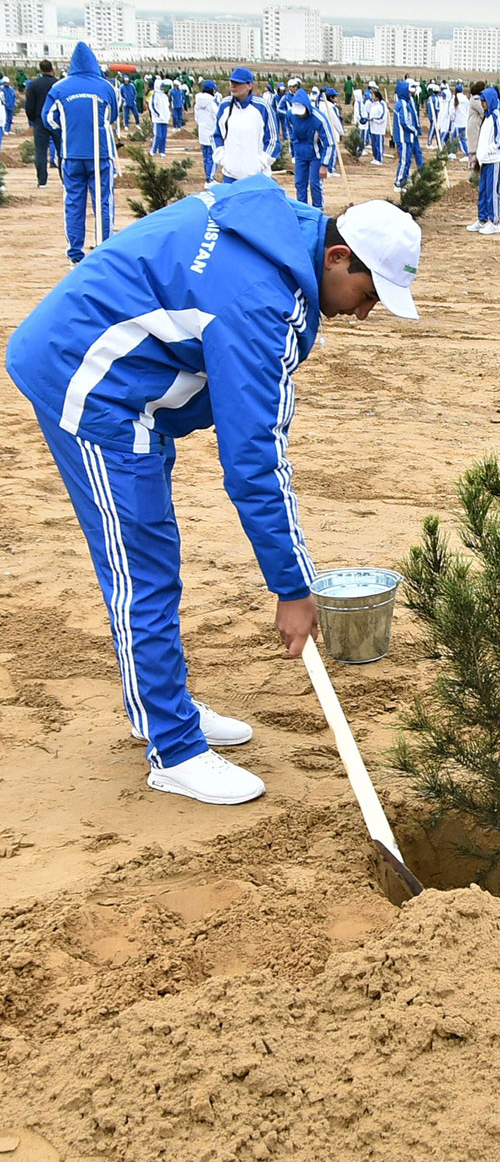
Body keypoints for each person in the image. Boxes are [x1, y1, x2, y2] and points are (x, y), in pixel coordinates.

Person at [5, 183, 422, 806]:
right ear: (337, 257)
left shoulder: (280, 231)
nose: (363, 314)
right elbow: (254, 462)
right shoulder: (260, 302)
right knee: (142, 569)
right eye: (367, 296)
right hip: (91, 385)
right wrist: (293, 589)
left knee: (152, 559)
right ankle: (174, 749)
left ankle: (164, 706)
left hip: (129, 379)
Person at [43, 41, 120, 265]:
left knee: (73, 203)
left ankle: (75, 254)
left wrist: (67, 130)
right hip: (101, 154)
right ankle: (103, 250)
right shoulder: (106, 87)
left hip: (71, 154)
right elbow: (112, 116)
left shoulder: (59, 88)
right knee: (103, 202)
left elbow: (49, 119)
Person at [213, 67, 278, 183]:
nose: (233, 86)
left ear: (249, 85)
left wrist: (261, 163)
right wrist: (223, 159)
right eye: (232, 82)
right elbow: (216, 135)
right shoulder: (224, 105)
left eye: (238, 83)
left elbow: (273, 140)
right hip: (230, 177)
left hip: (257, 177)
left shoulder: (262, 107)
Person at [288, 86, 335, 209]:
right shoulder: (291, 115)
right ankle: (303, 210)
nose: (300, 115)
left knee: (315, 183)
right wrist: (293, 144)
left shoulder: (318, 119)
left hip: (315, 154)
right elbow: (290, 129)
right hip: (300, 153)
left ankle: (318, 209)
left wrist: (324, 165)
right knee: (300, 183)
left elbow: (330, 143)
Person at [468, 88, 500, 235]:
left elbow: (499, 139)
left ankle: (495, 222)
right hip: (485, 160)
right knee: (483, 190)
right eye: (482, 101)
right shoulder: (487, 117)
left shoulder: (497, 115)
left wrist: (488, 151)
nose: (482, 104)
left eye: (484, 101)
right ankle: (482, 219)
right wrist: (479, 155)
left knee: (492, 192)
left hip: (494, 160)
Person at [24, 59, 59, 187]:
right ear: (52, 69)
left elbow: (29, 105)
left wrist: (32, 119)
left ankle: (42, 181)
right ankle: (65, 180)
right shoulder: (58, 84)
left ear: (40, 70)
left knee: (40, 151)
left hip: (40, 120)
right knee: (61, 150)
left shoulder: (34, 85)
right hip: (56, 120)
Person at [392, 79, 424, 191]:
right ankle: (398, 182)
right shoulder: (403, 104)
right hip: (404, 137)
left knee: (407, 161)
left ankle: (403, 181)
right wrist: (414, 130)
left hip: (407, 137)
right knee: (404, 161)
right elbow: (404, 122)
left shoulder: (406, 103)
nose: (411, 93)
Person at [194, 79, 220, 185]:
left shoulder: (197, 103)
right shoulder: (212, 102)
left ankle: (208, 177)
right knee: (213, 156)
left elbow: (196, 118)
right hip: (212, 132)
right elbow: (218, 116)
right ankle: (210, 179)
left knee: (206, 157)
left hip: (202, 132)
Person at [367, 87, 388, 165]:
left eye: (373, 96)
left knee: (379, 144)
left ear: (377, 97)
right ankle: (375, 158)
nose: (372, 97)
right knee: (374, 144)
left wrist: (374, 120)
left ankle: (379, 159)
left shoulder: (381, 105)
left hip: (379, 129)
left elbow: (382, 117)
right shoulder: (373, 105)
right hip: (373, 128)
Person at [150, 79, 171, 156]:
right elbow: (152, 106)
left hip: (165, 119)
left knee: (163, 136)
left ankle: (162, 151)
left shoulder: (164, 96)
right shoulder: (155, 95)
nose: (163, 88)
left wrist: (168, 114)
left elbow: (167, 106)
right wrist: (158, 115)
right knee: (158, 135)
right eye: (161, 86)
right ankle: (153, 150)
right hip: (157, 119)